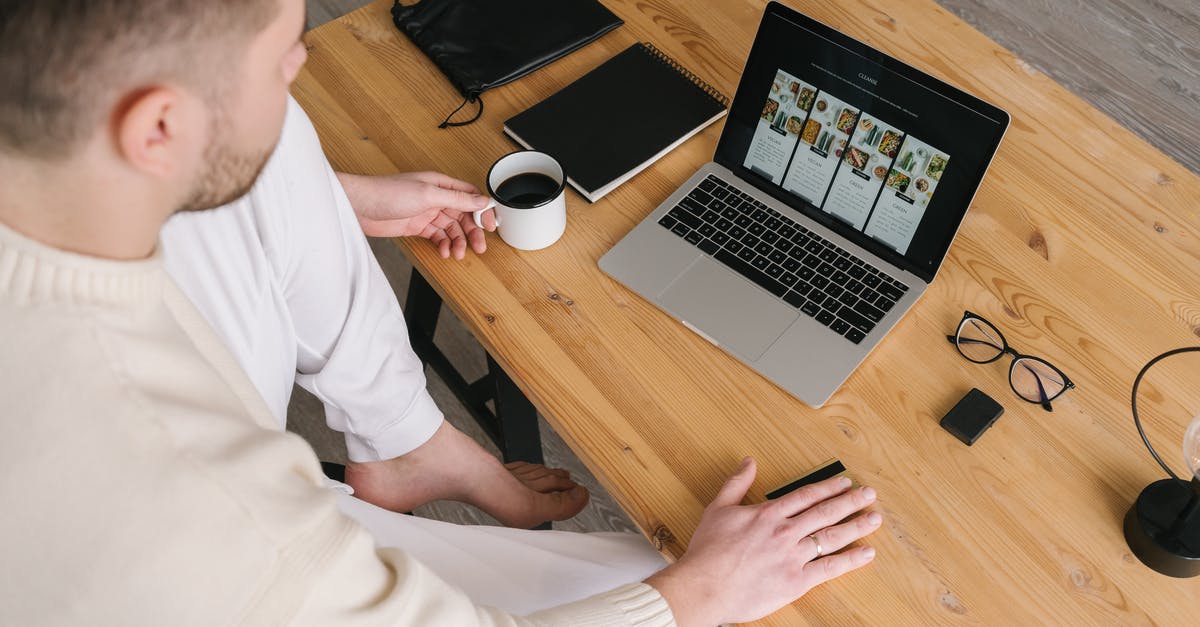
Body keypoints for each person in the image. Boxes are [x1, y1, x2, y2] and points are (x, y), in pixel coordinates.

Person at [0, 1, 882, 625]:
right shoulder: (188, 497)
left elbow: (234, 166)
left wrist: (332, 197)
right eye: (281, 59)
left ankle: (407, 442)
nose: (300, 64)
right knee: (691, 579)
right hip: (226, 573)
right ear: (154, 131)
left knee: (276, 152)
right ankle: (407, 446)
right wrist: (702, 593)